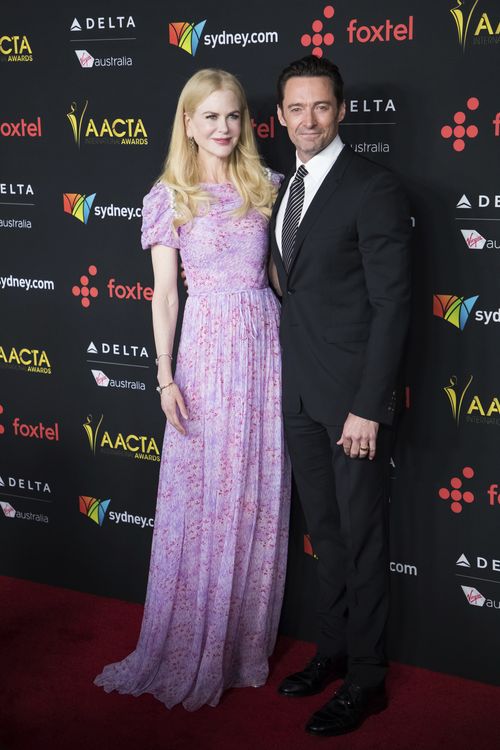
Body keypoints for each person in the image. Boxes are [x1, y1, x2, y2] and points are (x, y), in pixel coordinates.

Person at [94, 69, 291, 711]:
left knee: (253, 494)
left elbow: (282, 283)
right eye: (209, 117)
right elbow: (166, 294)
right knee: (204, 496)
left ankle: (240, 645)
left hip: (264, 350)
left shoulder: (268, 188)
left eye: (232, 115)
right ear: (187, 123)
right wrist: (163, 374)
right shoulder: (168, 195)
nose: (224, 128)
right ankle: (190, 641)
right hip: (204, 354)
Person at [269, 55, 411, 736]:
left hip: (352, 404)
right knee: (324, 534)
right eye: (295, 108)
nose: (308, 120)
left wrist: (368, 405)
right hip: (297, 396)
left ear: (342, 111)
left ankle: (368, 678)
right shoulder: (280, 189)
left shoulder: (372, 187)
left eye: (320, 107)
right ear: (280, 117)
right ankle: (331, 650)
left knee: (360, 537)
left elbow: (393, 306)